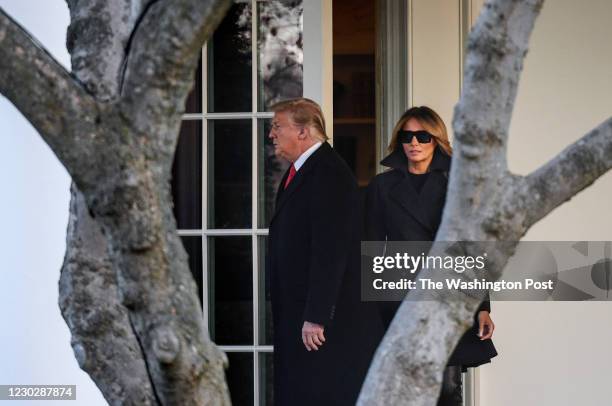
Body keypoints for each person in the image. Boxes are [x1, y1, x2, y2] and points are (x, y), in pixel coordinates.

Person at [365, 106, 498, 406]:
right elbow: (371, 249)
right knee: (404, 387)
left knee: (448, 387)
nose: (414, 142)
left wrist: (483, 306)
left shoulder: (458, 188)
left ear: (436, 140)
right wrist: (371, 309)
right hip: (399, 300)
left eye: (422, 136)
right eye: (407, 136)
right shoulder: (381, 188)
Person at [266, 98, 382, 406]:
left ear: (303, 132)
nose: (271, 134)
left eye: (278, 126)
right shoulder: (302, 171)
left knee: (318, 391)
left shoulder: (328, 173)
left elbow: (330, 249)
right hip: (301, 312)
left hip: (318, 323)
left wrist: (317, 315)